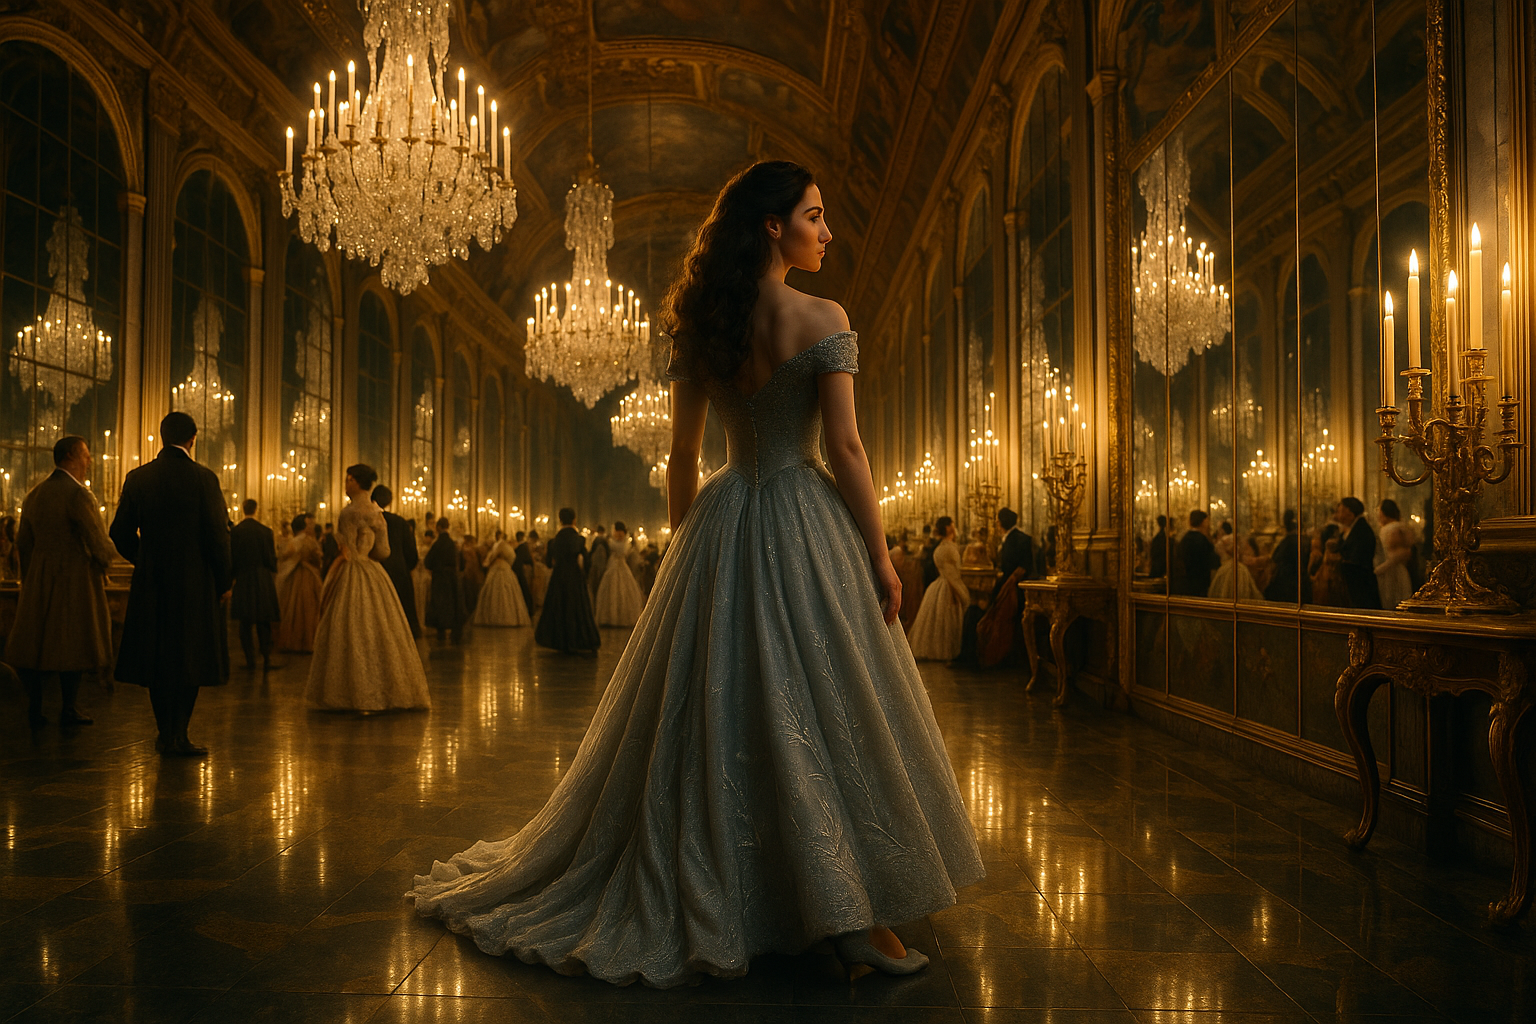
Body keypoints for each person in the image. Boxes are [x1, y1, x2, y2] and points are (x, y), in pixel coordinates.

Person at [410, 163, 980, 984]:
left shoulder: (701, 327)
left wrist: (689, 551)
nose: (829, 232)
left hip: (721, 518)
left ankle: (769, 889)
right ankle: (848, 909)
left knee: (728, 706)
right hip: (805, 514)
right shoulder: (823, 317)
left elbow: (681, 458)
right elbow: (847, 449)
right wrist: (881, 556)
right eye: (815, 217)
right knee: (824, 701)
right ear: (773, 227)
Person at [110, 412, 232, 757]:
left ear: (162, 437)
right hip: (195, 584)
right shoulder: (204, 479)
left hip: (153, 584)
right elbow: (217, 535)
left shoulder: (139, 477)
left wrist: (144, 559)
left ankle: (165, 732)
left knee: (158, 657)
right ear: (193, 438)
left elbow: (118, 532)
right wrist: (224, 579)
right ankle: (180, 733)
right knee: (190, 657)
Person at [6, 435, 115, 727]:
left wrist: (29, 576)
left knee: (38, 643)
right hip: (73, 576)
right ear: (70, 456)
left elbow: (23, 542)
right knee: (72, 642)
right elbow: (95, 537)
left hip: (40, 574)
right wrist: (106, 560)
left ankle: (36, 707)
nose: (89, 461)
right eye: (86, 455)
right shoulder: (78, 494)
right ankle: (69, 707)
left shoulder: (35, 494)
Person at [306, 465, 431, 711]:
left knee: (348, 626)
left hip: (351, 571)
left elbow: (348, 551)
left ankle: (351, 692)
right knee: (382, 627)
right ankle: (387, 688)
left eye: (348, 480)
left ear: (356, 482)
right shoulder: (377, 515)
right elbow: (383, 552)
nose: (346, 484)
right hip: (374, 573)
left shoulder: (348, 513)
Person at [533, 507, 601, 652]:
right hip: (575, 577)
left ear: (560, 520)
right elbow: (586, 561)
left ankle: (558, 640)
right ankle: (577, 639)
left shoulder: (553, 541)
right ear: (574, 519)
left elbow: (548, 562)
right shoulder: (579, 540)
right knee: (576, 608)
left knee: (558, 607)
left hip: (558, 577)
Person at [229, 498, 282, 671]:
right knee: (263, 620)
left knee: (245, 622)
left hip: (244, 578)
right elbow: (270, 557)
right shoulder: (265, 531)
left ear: (243, 510)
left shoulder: (236, 531)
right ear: (256, 509)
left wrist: (232, 578)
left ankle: (250, 660)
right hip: (262, 578)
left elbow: (233, 558)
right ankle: (266, 658)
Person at [909, 515, 969, 660]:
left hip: (941, 584)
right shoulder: (947, 549)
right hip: (949, 585)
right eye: (953, 525)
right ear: (949, 527)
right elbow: (952, 574)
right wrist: (959, 592)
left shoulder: (942, 547)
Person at [371, 485, 421, 638]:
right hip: (399, 572)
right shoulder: (400, 522)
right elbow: (412, 552)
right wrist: (407, 568)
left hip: (376, 570)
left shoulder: (370, 519)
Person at [276, 514, 323, 652]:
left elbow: (284, 556)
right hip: (307, 575)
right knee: (309, 608)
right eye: (309, 525)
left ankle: (295, 639)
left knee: (294, 608)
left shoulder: (294, 541)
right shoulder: (307, 540)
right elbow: (316, 556)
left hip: (297, 575)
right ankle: (308, 640)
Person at [424, 517, 467, 646]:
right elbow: (463, 562)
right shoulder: (453, 544)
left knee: (439, 603)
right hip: (452, 577)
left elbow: (428, 562)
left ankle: (440, 630)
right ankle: (455, 631)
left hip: (439, 577)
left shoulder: (437, 544)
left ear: (438, 527)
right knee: (453, 603)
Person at [474, 531, 531, 627]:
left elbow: (492, 557)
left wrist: (486, 564)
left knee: (496, 592)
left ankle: (495, 617)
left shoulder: (499, 546)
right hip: (506, 568)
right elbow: (512, 558)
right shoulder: (507, 547)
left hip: (498, 568)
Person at [593, 521, 644, 627]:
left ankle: (611, 617)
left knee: (614, 588)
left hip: (617, 564)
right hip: (616, 565)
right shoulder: (622, 541)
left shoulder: (613, 541)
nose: (618, 535)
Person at [1335, 497, 1381, 610]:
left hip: (1361, 586)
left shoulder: (1361, 530)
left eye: (1341, 511)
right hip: (1355, 585)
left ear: (1350, 512)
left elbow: (1357, 559)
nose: (1338, 515)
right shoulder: (1354, 528)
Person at [1375, 498, 1414, 610]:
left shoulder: (1392, 528)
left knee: (1393, 600)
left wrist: (1381, 568)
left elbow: (1398, 553)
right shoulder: (1400, 526)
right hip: (1396, 569)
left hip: (1392, 572)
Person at [1172, 510, 1219, 596]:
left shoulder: (1184, 539)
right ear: (1204, 522)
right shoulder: (1203, 540)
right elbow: (1213, 562)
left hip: (1184, 584)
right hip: (1200, 585)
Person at [1263, 510, 1301, 603]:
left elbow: (1275, 560)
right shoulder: (1302, 540)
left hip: (1286, 581)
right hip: (1300, 579)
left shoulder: (1287, 542)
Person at [459, 534, 485, 615]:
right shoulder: (476, 549)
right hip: (475, 574)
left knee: (469, 593)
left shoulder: (464, 550)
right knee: (474, 593)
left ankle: (471, 611)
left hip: (469, 573)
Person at [510, 530, 536, 611]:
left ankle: (528, 607)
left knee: (524, 588)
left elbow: (520, 561)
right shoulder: (523, 546)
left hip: (523, 570)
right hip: (523, 569)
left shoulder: (522, 547)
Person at [586, 523, 610, 601]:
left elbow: (592, 551)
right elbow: (608, 552)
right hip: (603, 564)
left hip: (595, 564)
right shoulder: (604, 540)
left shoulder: (596, 540)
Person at [1148, 514, 1169, 579]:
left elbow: (1153, 553)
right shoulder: (1165, 537)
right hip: (1162, 565)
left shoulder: (1158, 538)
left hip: (1158, 566)